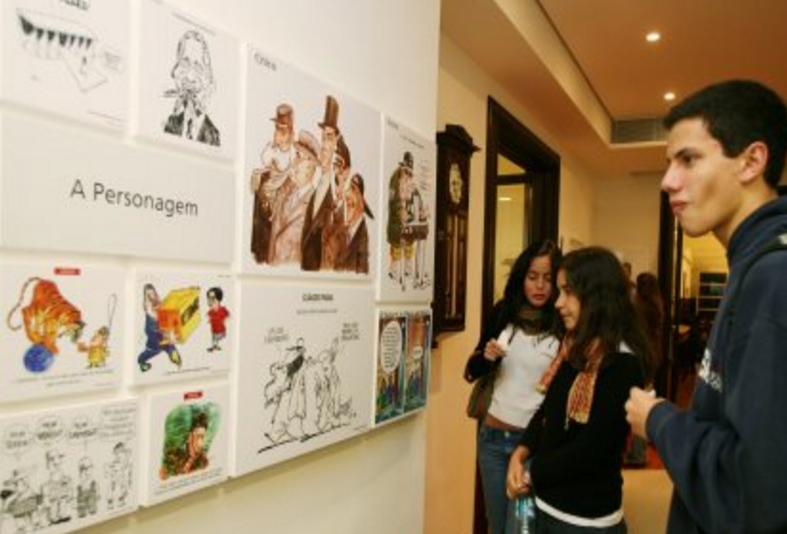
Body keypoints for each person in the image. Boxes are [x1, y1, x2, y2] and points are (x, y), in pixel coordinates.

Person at [626, 80, 787, 534]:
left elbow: (755, 496)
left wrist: (658, 420)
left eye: (689, 159)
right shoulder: (753, 265)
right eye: (669, 163)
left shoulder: (774, 278)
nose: (668, 181)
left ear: (752, 161)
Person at [506, 246, 651, 533]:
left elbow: (590, 451)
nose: (558, 303)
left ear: (597, 295)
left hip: (584, 521)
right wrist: (520, 452)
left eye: (568, 292)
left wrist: (532, 472)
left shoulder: (623, 362)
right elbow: (548, 410)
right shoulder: (576, 346)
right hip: (546, 505)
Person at [464, 239, 563, 534]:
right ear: (522, 277)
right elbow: (471, 370)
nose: (540, 286)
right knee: (497, 527)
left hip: (533, 447)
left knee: (521, 529)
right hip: (492, 441)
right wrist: (487, 357)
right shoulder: (503, 313)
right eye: (533, 277)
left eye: (548, 278)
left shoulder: (562, 322)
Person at [623, 272, 664, 467]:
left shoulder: (636, 308)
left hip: (639, 356)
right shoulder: (657, 306)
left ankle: (637, 454)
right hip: (653, 355)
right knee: (646, 397)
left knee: (635, 402)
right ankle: (639, 452)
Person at [163, 30, 220, 146]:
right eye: (184, 63)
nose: (190, 77)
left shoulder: (213, 134)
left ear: (207, 78)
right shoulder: (170, 123)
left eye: (198, 68)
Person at [161, 410, 211, 478]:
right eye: (198, 437)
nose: (201, 443)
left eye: (202, 437)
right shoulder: (173, 458)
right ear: (188, 437)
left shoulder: (203, 461)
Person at [206, 287, 230, 352]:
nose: (210, 300)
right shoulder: (210, 311)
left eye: (213, 298)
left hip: (220, 330)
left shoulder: (222, 309)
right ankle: (215, 346)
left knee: (216, 338)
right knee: (214, 338)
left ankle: (214, 346)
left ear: (219, 299)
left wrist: (224, 321)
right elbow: (208, 317)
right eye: (209, 298)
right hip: (214, 329)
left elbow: (228, 316)